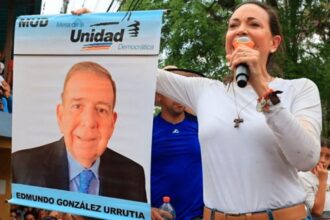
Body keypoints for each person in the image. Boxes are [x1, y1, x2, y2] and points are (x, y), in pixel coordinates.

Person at [156, 1, 321, 219]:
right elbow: (140, 70)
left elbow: (306, 158)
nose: (240, 30)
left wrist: (261, 86)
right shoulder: (205, 91)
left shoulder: (300, 88)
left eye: (253, 24)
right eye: (233, 25)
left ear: (274, 42)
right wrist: (102, 30)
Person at [12, 61, 147, 202]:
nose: (89, 122)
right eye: (77, 106)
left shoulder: (133, 174)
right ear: (60, 116)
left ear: (112, 123)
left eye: (101, 109)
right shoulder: (20, 166)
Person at [151, 67, 204, 220]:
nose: (178, 96)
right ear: (159, 96)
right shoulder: (149, 129)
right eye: (172, 91)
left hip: (197, 215)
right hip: (161, 214)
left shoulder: (201, 126)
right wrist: (145, 207)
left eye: (180, 90)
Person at [299, 137, 330, 218]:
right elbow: (317, 211)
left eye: (328, 156)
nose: (323, 160)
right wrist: (323, 181)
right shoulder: (302, 177)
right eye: (319, 155)